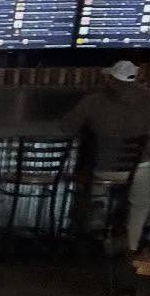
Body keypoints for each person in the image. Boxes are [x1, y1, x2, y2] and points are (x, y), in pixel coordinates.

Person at [61, 60, 150, 254]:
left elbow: (67, 127)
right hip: (139, 171)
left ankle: (95, 221)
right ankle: (131, 247)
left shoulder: (93, 101)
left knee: (90, 186)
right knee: (141, 204)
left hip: (102, 170)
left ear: (110, 79)